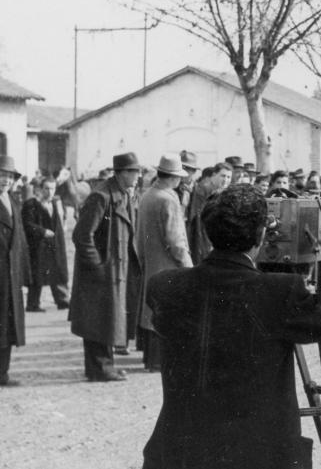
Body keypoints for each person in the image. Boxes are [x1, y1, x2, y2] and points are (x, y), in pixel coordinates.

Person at [141, 184, 321, 469]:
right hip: (255, 456)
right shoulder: (279, 293)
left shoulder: (164, 286)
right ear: (262, 234)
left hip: (180, 452)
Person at [70, 152, 142, 382]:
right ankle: (99, 369)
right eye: (134, 172)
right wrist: (97, 266)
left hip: (115, 270)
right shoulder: (101, 197)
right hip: (101, 271)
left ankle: (105, 365)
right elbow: (82, 235)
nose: (137, 177)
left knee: (108, 320)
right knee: (97, 320)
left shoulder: (121, 194)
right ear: (121, 173)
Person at [136, 154, 193, 372]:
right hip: (169, 265)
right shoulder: (168, 199)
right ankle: (160, 361)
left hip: (151, 261)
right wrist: (188, 266)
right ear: (175, 177)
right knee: (168, 312)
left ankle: (151, 359)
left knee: (152, 310)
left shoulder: (148, 195)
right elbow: (175, 239)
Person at [0, 155, 31, 386]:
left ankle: (3, 372)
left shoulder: (14, 202)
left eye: (9, 177)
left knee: (9, 326)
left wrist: (24, 276)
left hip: (11, 276)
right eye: (1, 175)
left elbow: (20, 242)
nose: (5, 180)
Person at [21, 176, 70, 312]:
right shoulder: (31, 204)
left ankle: (62, 300)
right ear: (40, 189)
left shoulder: (55, 204)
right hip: (38, 245)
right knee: (38, 274)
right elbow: (26, 224)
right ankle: (33, 304)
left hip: (54, 244)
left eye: (53, 188)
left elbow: (60, 223)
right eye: (47, 188)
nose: (50, 192)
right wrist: (42, 231)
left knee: (58, 270)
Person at [187, 162, 232, 263]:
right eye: (223, 176)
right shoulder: (204, 189)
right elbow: (197, 220)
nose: (226, 180)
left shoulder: (218, 191)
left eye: (229, 177)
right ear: (214, 175)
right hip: (201, 239)